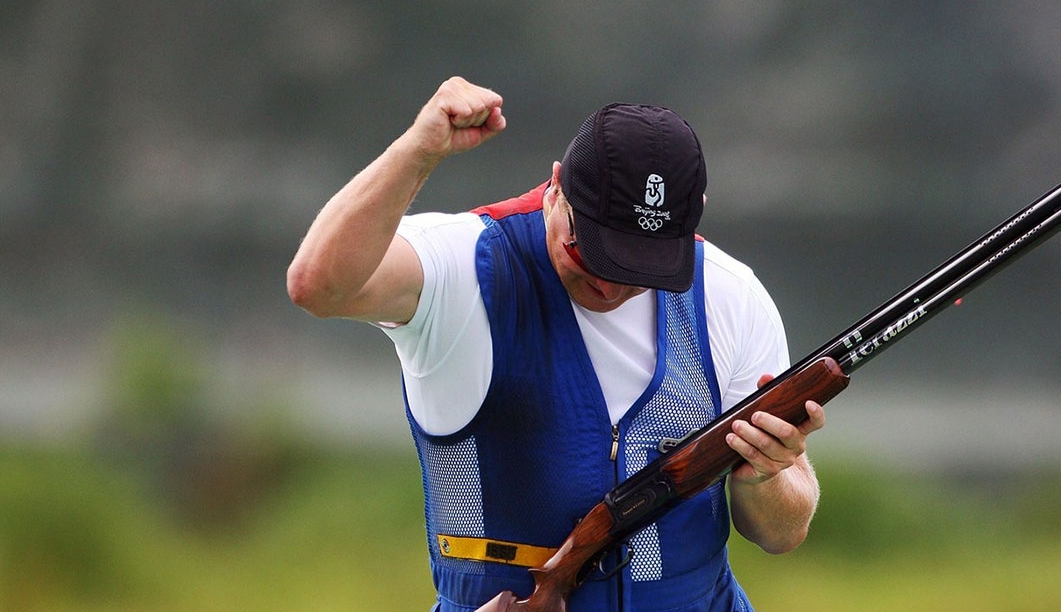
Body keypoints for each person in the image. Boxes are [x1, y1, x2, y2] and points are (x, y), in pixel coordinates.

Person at [287, 76, 826, 612]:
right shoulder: (465, 266)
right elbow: (317, 285)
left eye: (639, 266)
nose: (610, 285)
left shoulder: (730, 293)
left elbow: (784, 533)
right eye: (588, 249)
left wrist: (766, 475)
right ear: (556, 189)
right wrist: (417, 152)